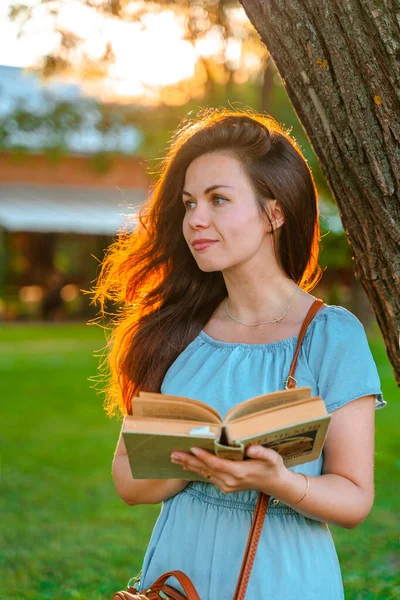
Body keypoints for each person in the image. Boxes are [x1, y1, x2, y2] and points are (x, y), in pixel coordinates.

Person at [92, 108, 386, 599]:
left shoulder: (332, 334)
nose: (195, 220)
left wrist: (278, 481)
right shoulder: (174, 331)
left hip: (285, 576)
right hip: (177, 575)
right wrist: (197, 464)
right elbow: (128, 480)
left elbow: (355, 499)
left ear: (275, 212)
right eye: (188, 203)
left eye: (218, 199)